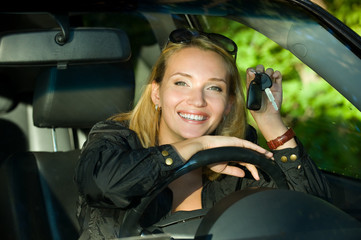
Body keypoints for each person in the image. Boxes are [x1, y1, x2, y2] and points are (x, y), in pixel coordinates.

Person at [74, 28, 331, 239]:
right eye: (181, 83)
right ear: (156, 93)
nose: (197, 100)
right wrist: (195, 146)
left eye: (214, 88)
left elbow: (312, 217)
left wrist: (270, 121)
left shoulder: (238, 156)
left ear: (229, 104)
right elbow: (102, 186)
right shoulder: (117, 138)